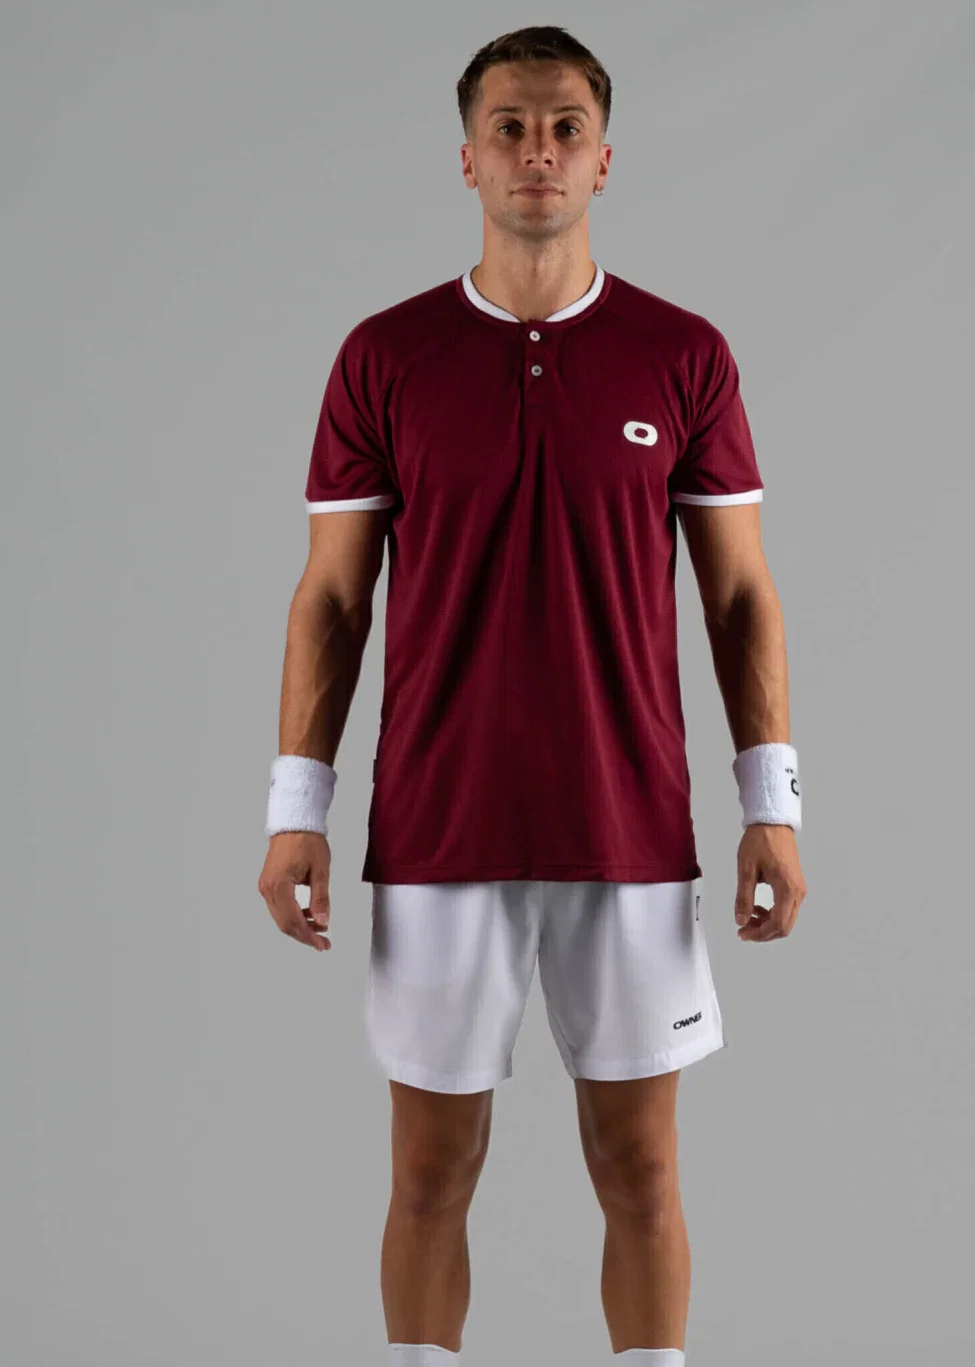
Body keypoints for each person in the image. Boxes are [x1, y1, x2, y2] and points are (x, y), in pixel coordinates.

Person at [257, 24, 807, 1367]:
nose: (538, 151)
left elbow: (740, 594)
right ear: (467, 157)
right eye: (509, 127)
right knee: (428, 1172)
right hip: (439, 825)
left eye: (565, 128)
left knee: (642, 1169)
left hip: (629, 825)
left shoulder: (684, 353)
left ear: (605, 159)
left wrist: (773, 803)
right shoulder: (385, 356)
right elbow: (332, 599)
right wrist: (294, 811)